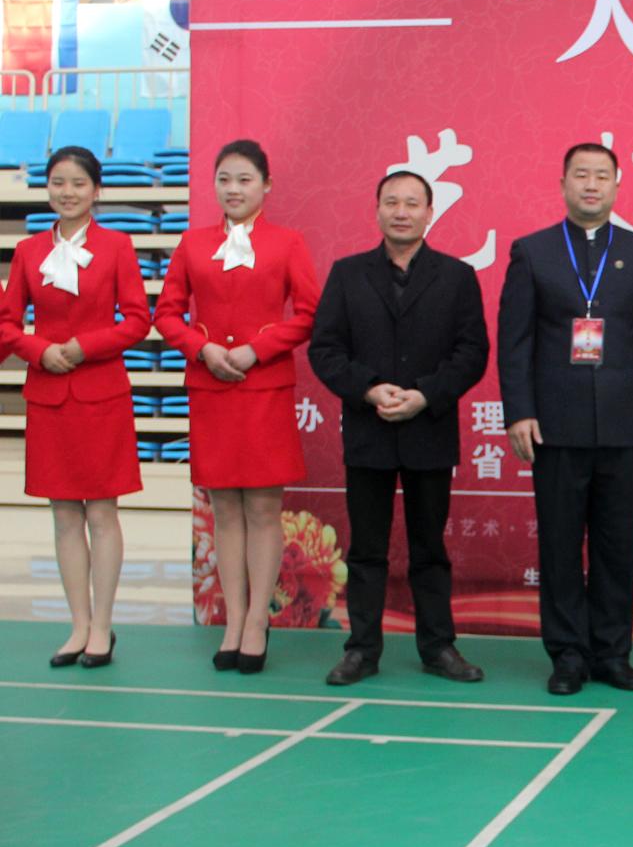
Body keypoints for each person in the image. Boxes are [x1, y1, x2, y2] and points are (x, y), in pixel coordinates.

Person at [498, 142, 633, 696]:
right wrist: (520, 412)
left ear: (617, 185)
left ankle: (612, 653)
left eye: (602, 175)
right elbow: (515, 341)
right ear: (563, 184)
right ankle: (568, 655)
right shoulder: (533, 252)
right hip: (554, 424)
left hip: (627, 424)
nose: (592, 185)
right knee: (559, 545)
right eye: (581, 175)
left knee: (616, 544)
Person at [308, 170, 490, 687]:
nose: (402, 212)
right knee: (366, 550)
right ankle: (361, 650)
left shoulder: (456, 276)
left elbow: (472, 351)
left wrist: (426, 394)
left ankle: (438, 647)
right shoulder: (348, 274)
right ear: (377, 211)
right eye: (392, 202)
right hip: (369, 430)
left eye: (412, 203)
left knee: (429, 549)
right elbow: (325, 349)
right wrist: (368, 389)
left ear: (430, 213)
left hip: (429, 428)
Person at [154, 139, 319, 675]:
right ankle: (232, 619)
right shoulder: (193, 243)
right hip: (212, 387)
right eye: (224, 179)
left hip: (264, 387)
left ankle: (256, 622)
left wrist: (257, 349)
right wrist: (202, 349)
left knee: (264, 508)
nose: (233, 189)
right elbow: (166, 314)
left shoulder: (287, 242)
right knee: (224, 508)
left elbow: (310, 313)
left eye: (245, 179)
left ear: (266, 185)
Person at [0, 146, 148, 669]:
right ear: (48, 188)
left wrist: (84, 347)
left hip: (101, 395)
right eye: (58, 183)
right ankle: (78, 625)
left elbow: (137, 320)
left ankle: (102, 627)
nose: (68, 192)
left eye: (79, 183)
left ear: (96, 190)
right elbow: (8, 324)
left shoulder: (117, 247)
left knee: (102, 513)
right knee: (64, 515)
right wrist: (39, 351)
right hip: (48, 397)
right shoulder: (28, 251)